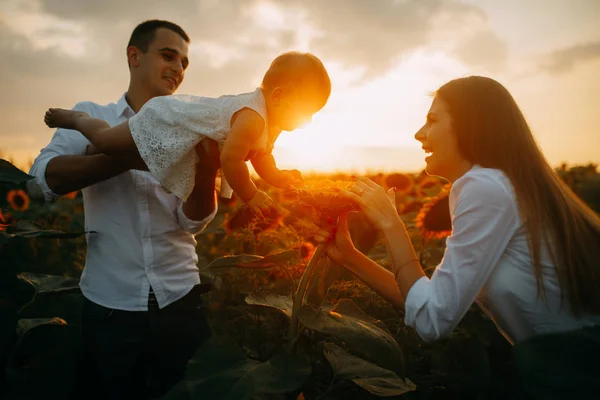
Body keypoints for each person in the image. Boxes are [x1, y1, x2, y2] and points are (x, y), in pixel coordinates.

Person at [315, 76, 600, 398]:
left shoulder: (483, 185)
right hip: (567, 364)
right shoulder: (504, 184)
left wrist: (390, 223)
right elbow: (430, 299)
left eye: (433, 120)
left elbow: (431, 320)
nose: (418, 134)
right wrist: (350, 257)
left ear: (471, 126)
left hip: (577, 367)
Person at [29, 20, 219, 399]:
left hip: (181, 300)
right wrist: (135, 155)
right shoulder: (91, 115)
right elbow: (40, 182)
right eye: (168, 56)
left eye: (184, 63)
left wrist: (209, 171)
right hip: (111, 307)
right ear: (134, 56)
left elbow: (192, 221)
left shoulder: (190, 129)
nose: (178, 69)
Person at [43, 51, 331, 218]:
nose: (309, 120)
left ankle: (97, 153)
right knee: (107, 141)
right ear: (279, 97)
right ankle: (79, 119)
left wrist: (278, 177)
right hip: (167, 121)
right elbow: (232, 159)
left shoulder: (271, 124)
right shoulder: (252, 117)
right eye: (308, 111)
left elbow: (261, 156)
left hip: (185, 142)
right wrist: (251, 196)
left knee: (127, 157)